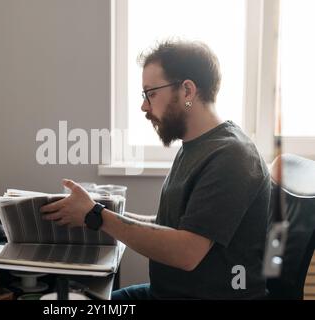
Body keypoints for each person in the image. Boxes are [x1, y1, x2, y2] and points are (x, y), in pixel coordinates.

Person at [40, 39, 271, 299]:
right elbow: (170, 226)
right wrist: (98, 209)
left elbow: (187, 252)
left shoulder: (231, 157)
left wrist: (97, 215)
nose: (144, 106)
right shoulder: (195, 147)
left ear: (187, 91)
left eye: (151, 93)